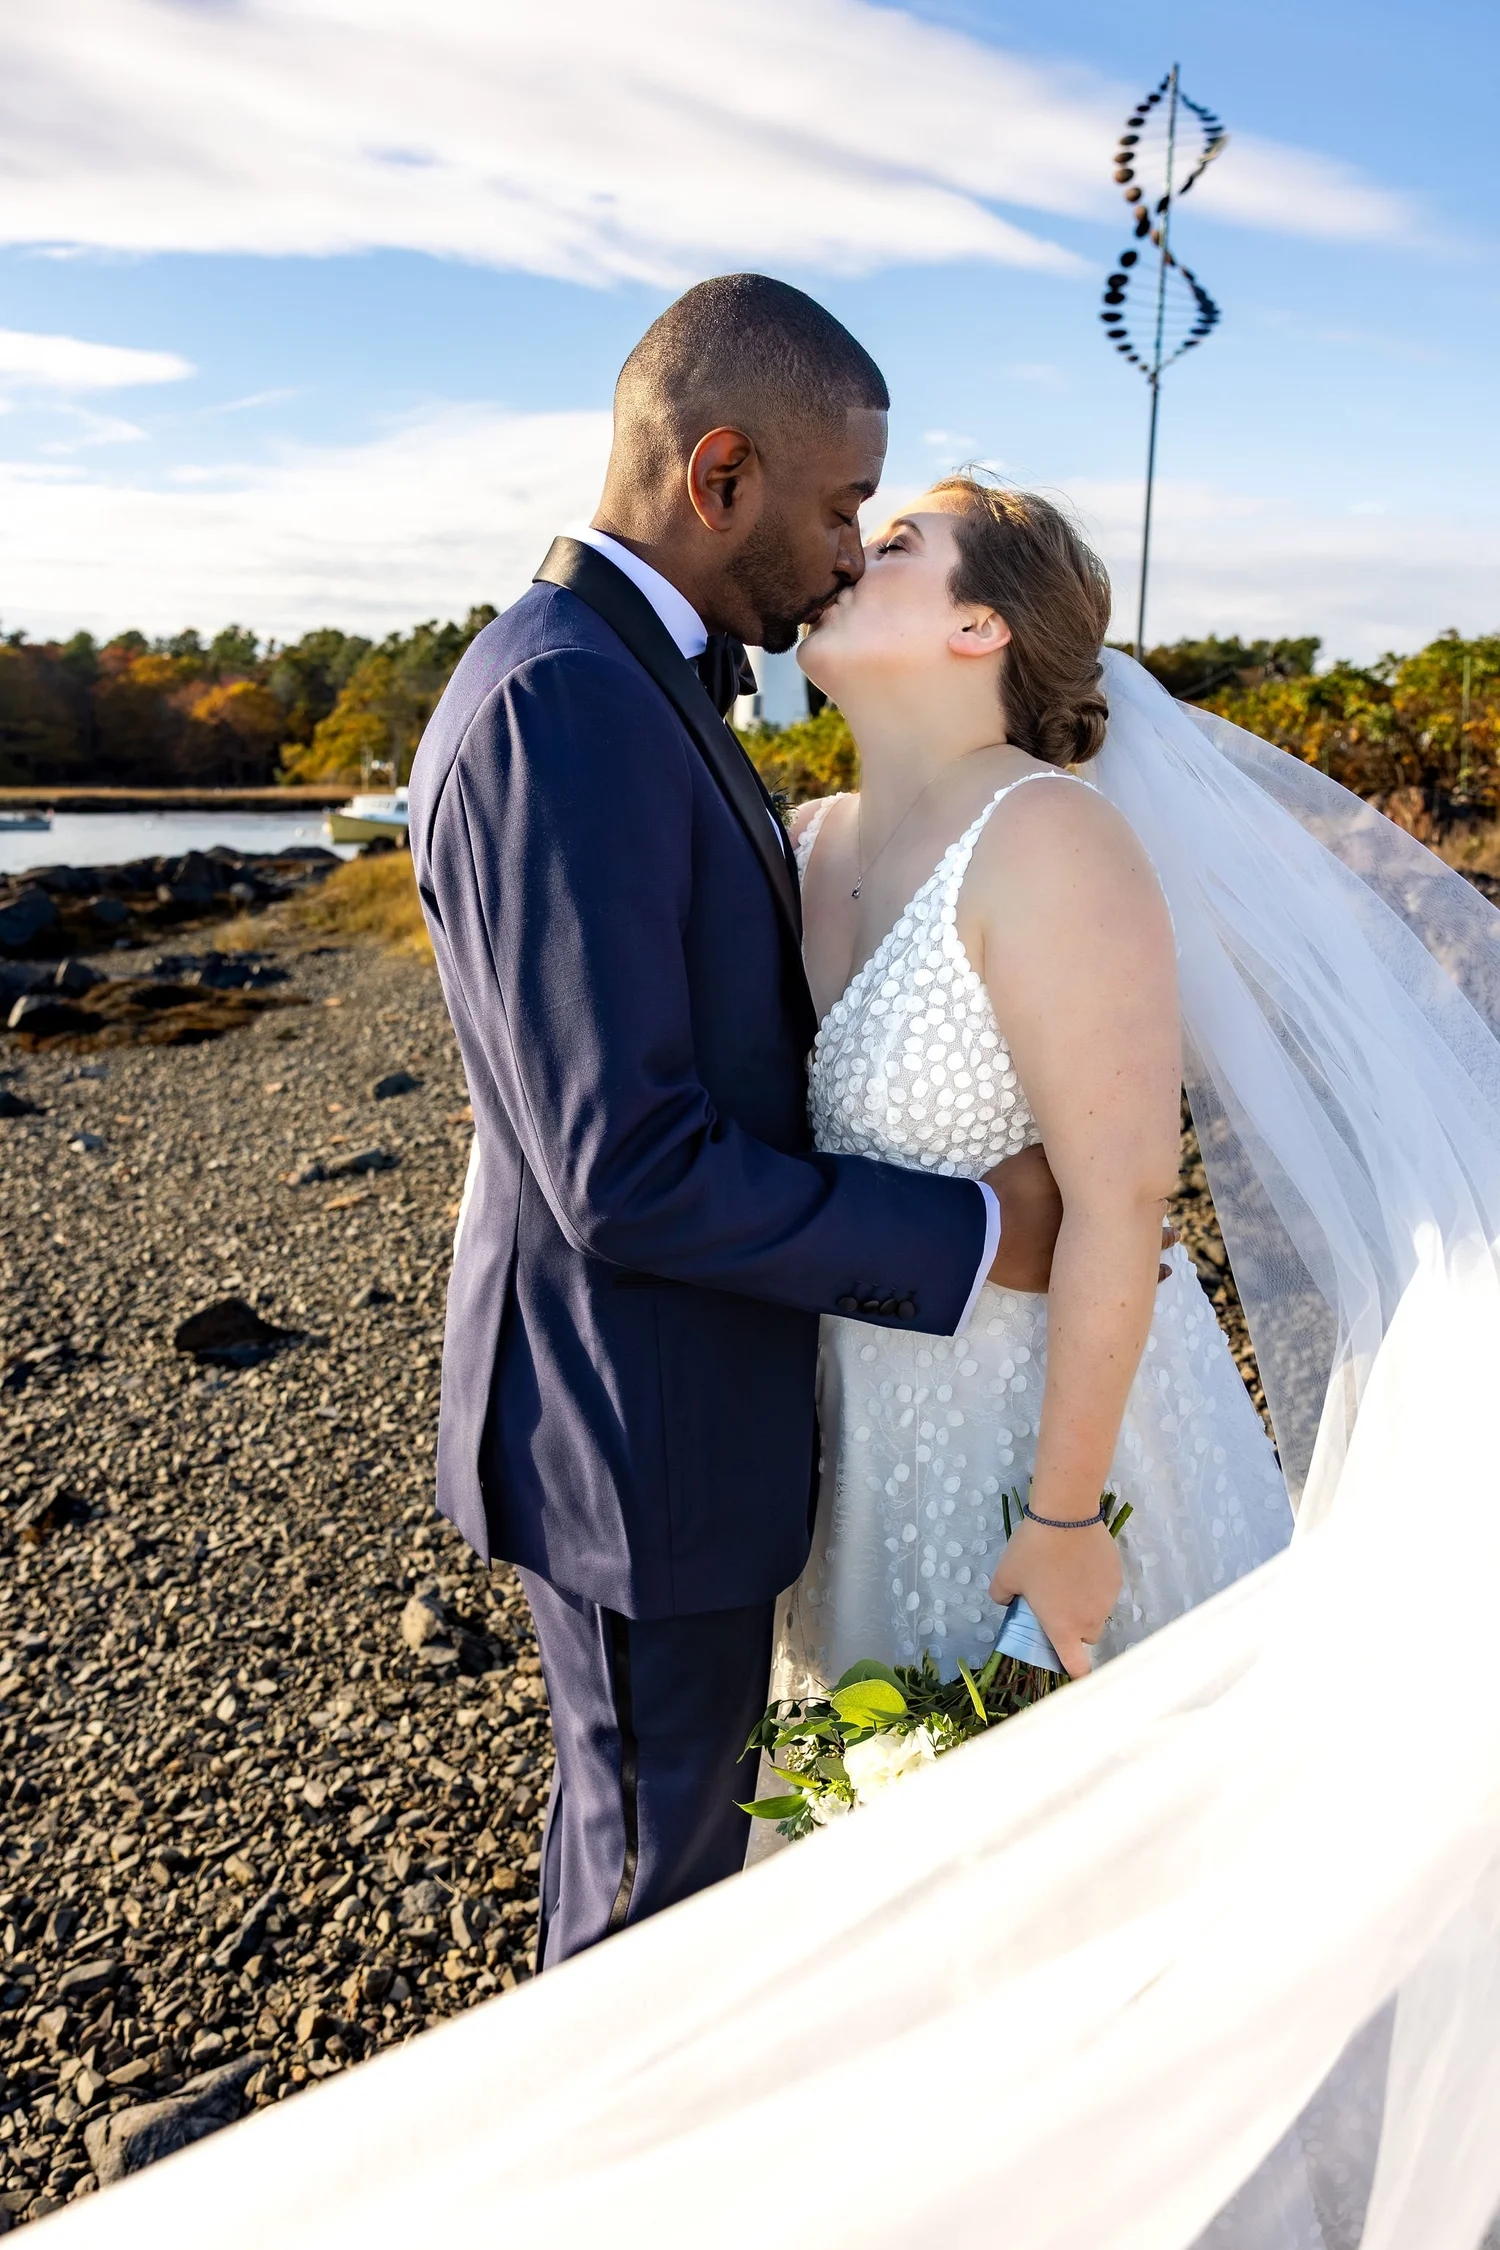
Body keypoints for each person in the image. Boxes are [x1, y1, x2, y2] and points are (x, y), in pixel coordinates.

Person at [405, 278, 1072, 1967]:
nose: (855, 551)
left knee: (671, 1856)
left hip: (673, 1414)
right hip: (643, 1434)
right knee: (649, 1920)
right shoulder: (567, 705)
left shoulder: (623, 682)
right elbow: (625, 1168)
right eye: (844, 507)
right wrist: (978, 1230)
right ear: (722, 476)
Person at [776, 478, 1292, 1698]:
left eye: (897, 542)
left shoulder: (1049, 835)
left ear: (980, 626)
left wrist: (1064, 1526)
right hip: (854, 1441)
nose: (847, 551)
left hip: (1041, 1442)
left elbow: (1121, 1201)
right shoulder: (795, 843)